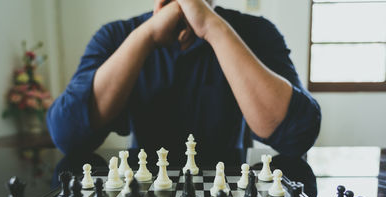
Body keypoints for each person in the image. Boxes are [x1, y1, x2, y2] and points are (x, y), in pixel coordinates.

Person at [47, 0, 321, 157]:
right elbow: (68, 135)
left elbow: (298, 134)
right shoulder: (115, 37)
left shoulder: (257, 33)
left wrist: (213, 28)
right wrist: (146, 36)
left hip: (229, 196)